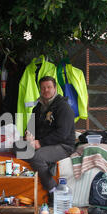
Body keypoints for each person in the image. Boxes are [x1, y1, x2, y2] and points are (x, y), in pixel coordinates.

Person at [24, 76, 75, 206]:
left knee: (36, 156)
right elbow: (30, 126)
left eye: (49, 87)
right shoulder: (39, 107)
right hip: (43, 143)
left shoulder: (63, 107)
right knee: (16, 146)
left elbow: (62, 134)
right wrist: (28, 135)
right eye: (43, 88)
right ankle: (45, 163)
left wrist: (39, 143)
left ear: (55, 88)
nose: (46, 90)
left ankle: (53, 191)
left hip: (62, 146)